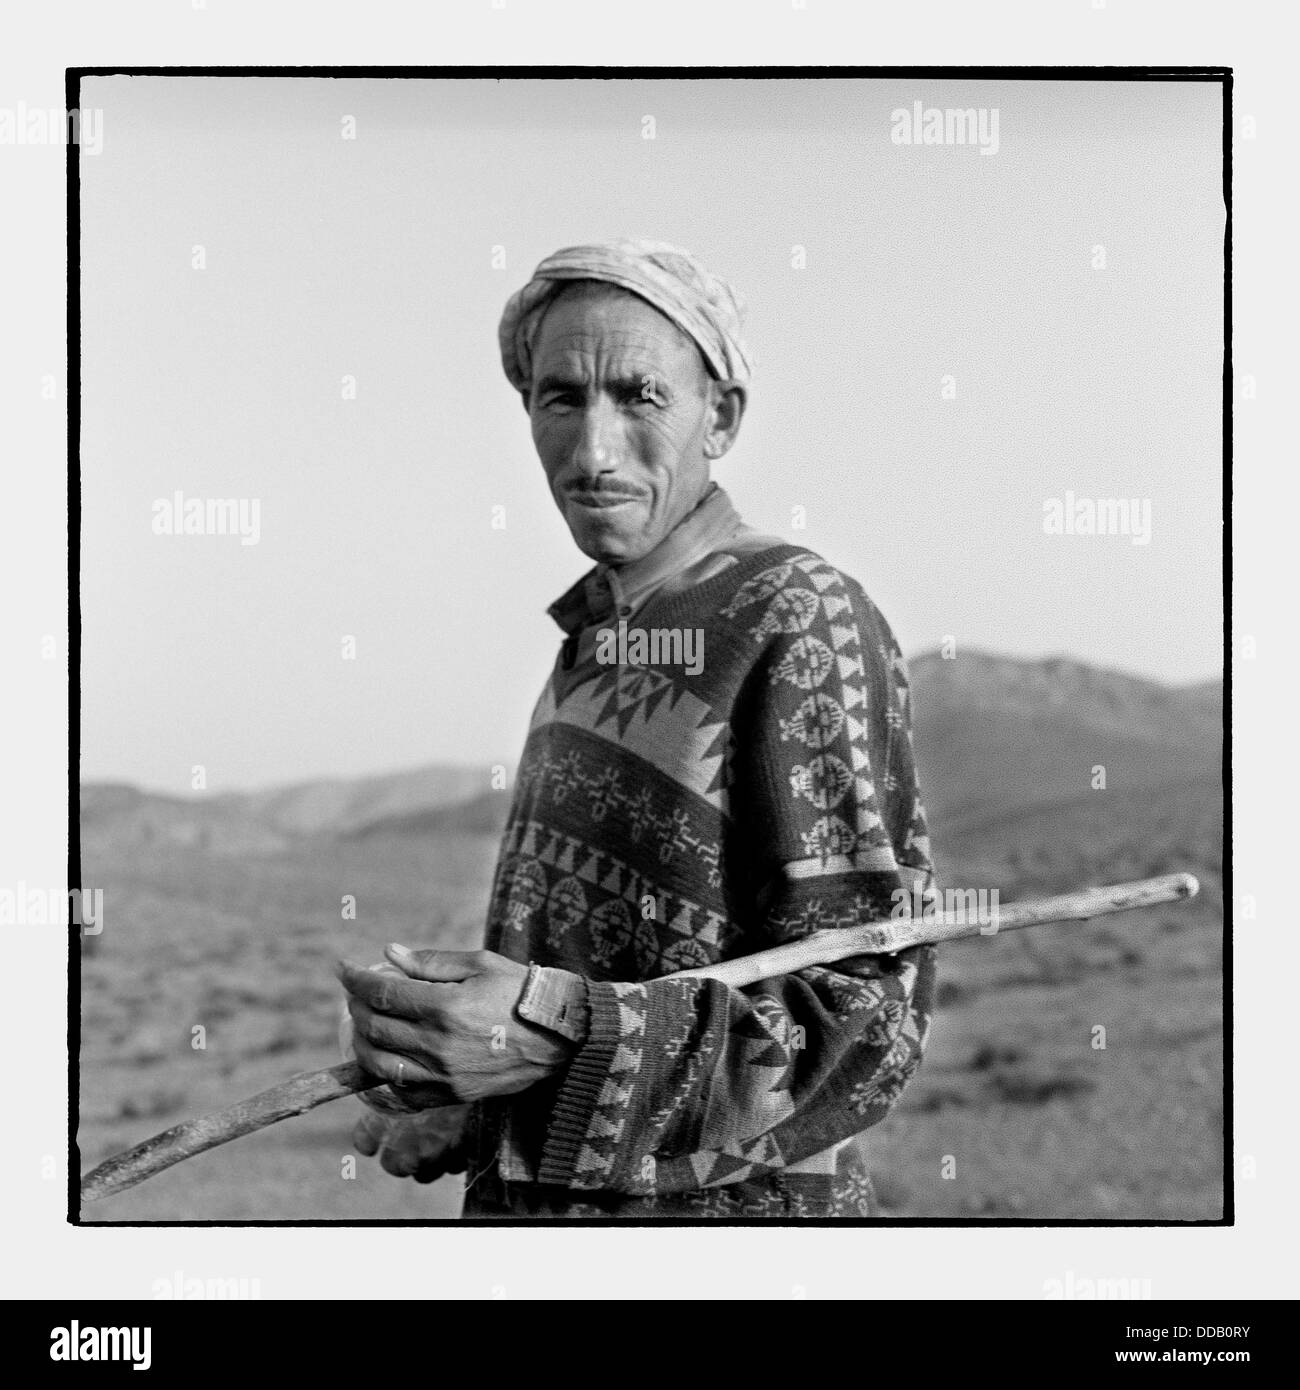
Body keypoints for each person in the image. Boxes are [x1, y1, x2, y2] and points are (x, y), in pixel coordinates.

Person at [336, 239, 938, 1217]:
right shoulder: (592, 639)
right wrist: (476, 1097)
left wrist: (548, 1029)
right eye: (558, 398)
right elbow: (604, 990)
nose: (592, 451)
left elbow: (866, 1026)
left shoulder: (791, 613)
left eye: (638, 396)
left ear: (721, 417)